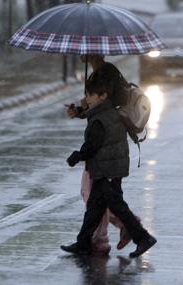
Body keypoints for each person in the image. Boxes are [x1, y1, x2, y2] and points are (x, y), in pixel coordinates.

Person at [61, 79, 157, 258]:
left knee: (118, 206)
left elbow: (92, 145)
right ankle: (83, 242)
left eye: (90, 95)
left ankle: (143, 238)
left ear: (103, 96)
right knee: (94, 208)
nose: (87, 99)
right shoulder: (108, 112)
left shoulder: (101, 118)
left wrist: (77, 156)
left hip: (108, 169)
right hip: (108, 167)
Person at [65, 54, 134, 254]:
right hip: (105, 147)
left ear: (94, 51)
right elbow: (94, 106)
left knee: (95, 195)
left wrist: (80, 154)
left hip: (106, 148)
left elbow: (104, 108)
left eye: (84, 50)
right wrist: (78, 111)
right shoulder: (100, 72)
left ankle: (102, 239)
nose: (80, 53)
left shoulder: (106, 74)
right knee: (100, 197)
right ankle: (119, 230)